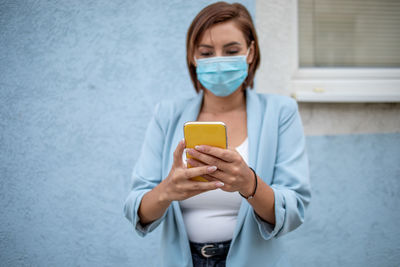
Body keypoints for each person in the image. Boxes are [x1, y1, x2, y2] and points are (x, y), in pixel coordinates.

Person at [124, 2, 311, 266]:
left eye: (232, 50)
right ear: (193, 56)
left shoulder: (281, 112)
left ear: (250, 52)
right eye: (207, 52)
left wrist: (250, 184)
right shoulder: (166, 114)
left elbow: (294, 209)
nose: (219, 61)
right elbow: (136, 208)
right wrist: (168, 190)